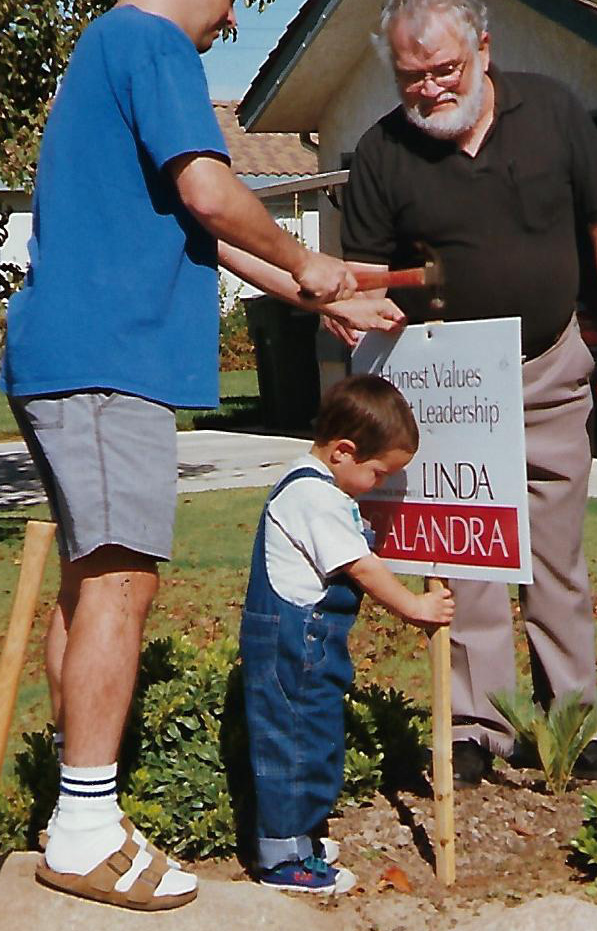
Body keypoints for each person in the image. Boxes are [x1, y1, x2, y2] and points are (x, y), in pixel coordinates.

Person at [0, 0, 401, 912]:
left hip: (73, 354)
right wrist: (309, 256)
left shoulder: (104, 51)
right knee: (122, 581)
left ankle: (76, 806)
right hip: (109, 358)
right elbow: (213, 194)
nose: (231, 17)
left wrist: (311, 288)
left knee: (93, 580)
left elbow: (198, 228)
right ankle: (85, 828)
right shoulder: (154, 43)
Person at [338, 0, 597, 785]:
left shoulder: (553, 113)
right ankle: (474, 727)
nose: (430, 88)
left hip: (550, 370)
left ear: (482, 47)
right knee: (465, 560)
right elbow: (359, 280)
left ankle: (569, 727)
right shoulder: (382, 152)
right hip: (443, 386)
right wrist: (353, 310)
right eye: (411, 75)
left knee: (556, 560)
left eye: (445, 68)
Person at [240, 373, 454, 894]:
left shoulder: (315, 487)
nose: (379, 485)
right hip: (293, 645)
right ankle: (283, 858)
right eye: (378, 473)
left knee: (313, 737)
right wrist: (415, 607)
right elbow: (361, 566)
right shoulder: (314, 498)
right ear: (343, 452)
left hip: (308, 643)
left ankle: (301, 838)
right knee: (293, 742)